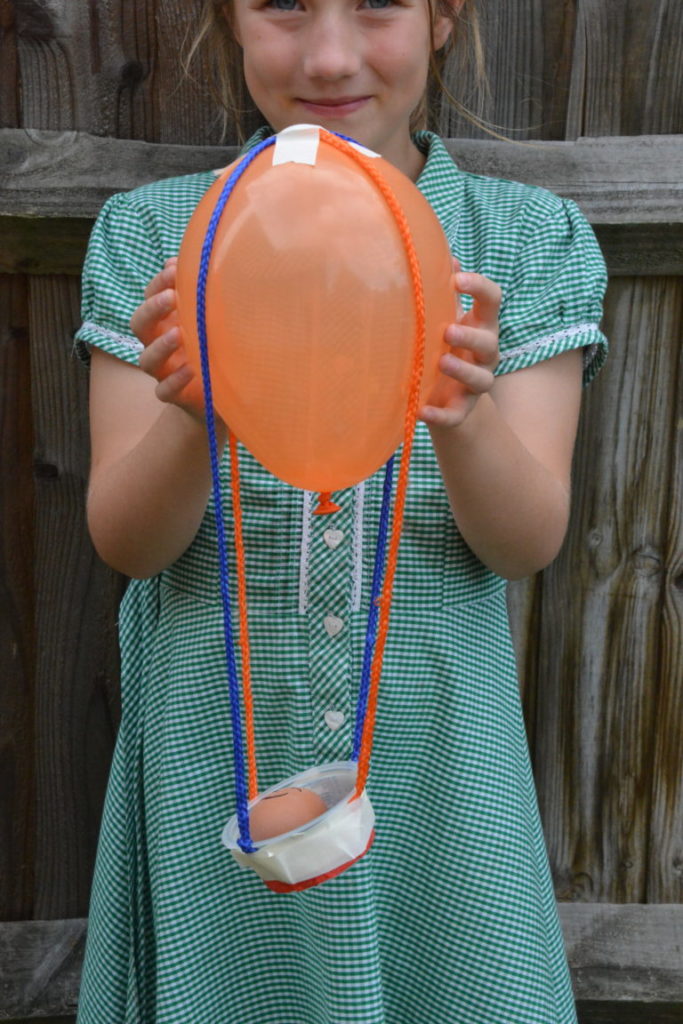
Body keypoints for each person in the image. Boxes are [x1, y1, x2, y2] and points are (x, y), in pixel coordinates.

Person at [75, 0, 608, 1020]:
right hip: (214, 779)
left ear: (444, 17)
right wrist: (193, 417)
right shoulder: (151, 235)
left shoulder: (524, 241)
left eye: (375, 6)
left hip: (439, 785)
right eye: (280, 6)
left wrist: (459, 414)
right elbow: (129, 542)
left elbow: (525, 536)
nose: (326, 55)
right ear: (228, 19)